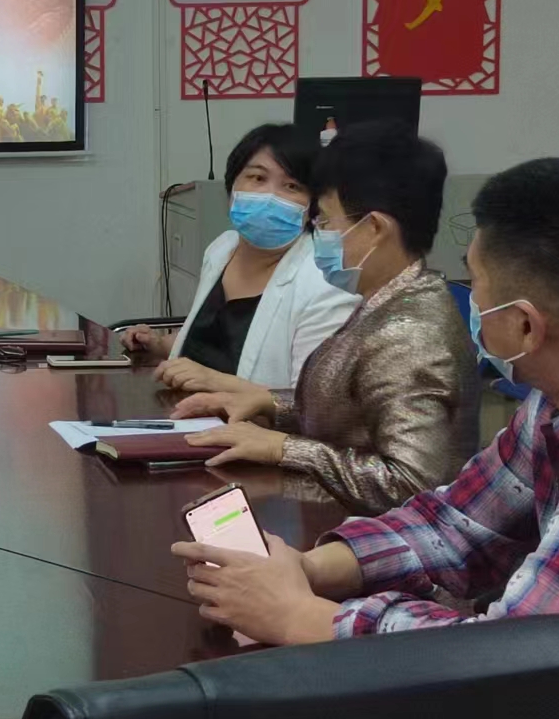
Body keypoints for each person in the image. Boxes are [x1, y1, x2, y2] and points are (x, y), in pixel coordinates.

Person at [172, 157, 559, 644]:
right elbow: (459, 523)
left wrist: (303, 618)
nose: (469, 297)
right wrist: (309, 569)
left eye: (475, 281)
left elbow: (517, 658)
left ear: (525, 325)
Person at [171, 122, 480, 514]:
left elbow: (411, 484)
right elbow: (351, 408)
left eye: (326, 223)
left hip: (373, 537)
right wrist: (271, 404)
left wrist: (284, 448)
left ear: (374, 229)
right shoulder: (386, 300)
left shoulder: (411, 334)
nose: (318, 235)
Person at [121, 124, 355, 391]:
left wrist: (215, 381)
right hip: (184, 409)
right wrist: (160, 345)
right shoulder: (222, 249)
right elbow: (218, 340)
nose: (269, 196)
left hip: (247, 419)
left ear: (314, 204)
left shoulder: (326, 281)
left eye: (292, 186)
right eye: (257, 178)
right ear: (232, 185)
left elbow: (315, 400)